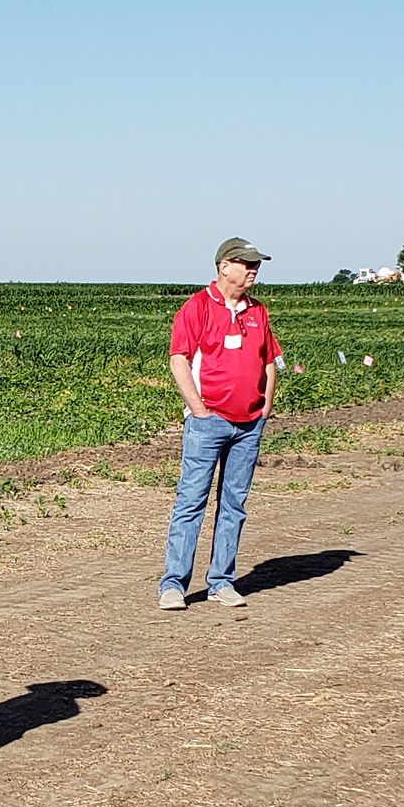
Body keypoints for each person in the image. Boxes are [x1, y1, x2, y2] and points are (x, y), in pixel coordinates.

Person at [159, 237, 280, 611]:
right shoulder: (197, 307)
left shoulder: (257, 312)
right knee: (191, 501)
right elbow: (179, 359)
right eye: (247, 263)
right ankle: (174, 585)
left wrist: (266, 405)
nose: (254, 270)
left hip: (249, 424)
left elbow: (269, 359)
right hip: (209, 422)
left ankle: (221, 582)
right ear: (224, 266)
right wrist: (197, 409)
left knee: (234, 504)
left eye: (256, 264)